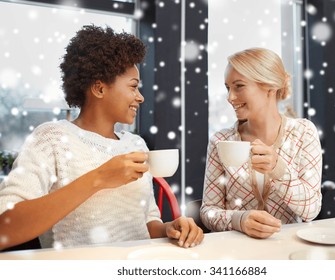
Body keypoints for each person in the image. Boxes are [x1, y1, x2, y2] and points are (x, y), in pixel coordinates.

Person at [0, 25, 204, 251]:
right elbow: (4, 229)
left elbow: (146, 221)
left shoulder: (135, 144)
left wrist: (167, 229)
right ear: (99, 88)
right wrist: (98, 178)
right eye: (134, 87)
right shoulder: (52, 138)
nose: (141, 97)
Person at [200, 48, 322, 239]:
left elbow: (311, 210)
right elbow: (208, 210)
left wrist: (279, 170)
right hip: (237, 253)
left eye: (238, 86)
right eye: (227, 88)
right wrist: (239, 220)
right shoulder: (220, 141)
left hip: (290, 250)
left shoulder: (303, 133)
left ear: (270, 88)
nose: (230, 97)